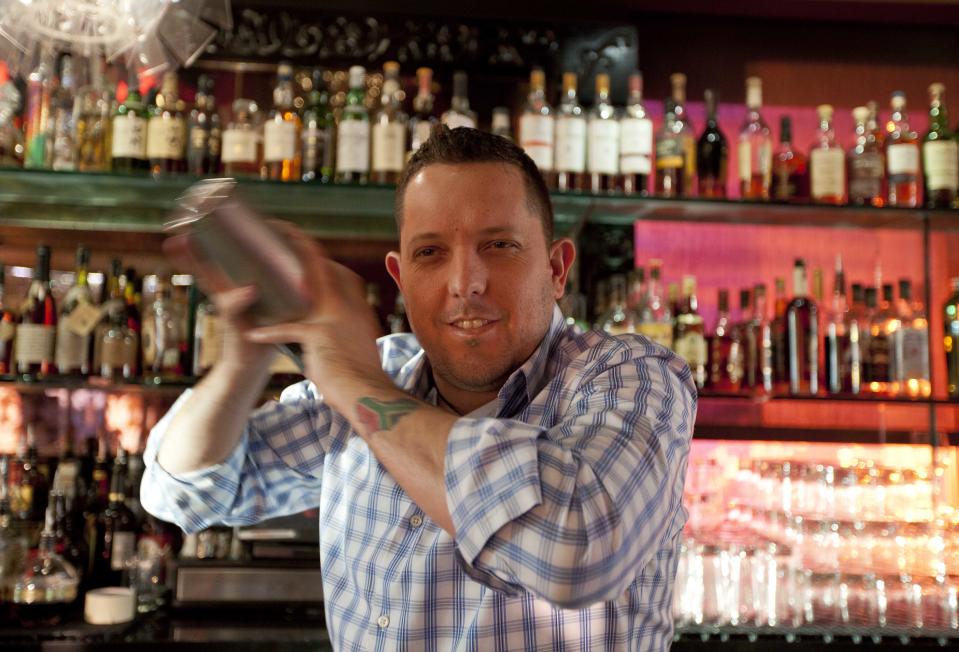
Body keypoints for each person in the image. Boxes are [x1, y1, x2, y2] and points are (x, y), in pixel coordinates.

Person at [141, 127, 696, 650]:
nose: (464, 284)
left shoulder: (635, 377)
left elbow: (577, 551)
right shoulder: (378, 371)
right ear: (401, 279)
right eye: (430, 253)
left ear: (556, 269)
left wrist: (351, 384)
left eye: (499, 245)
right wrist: (244, 360)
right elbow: (185, 492)